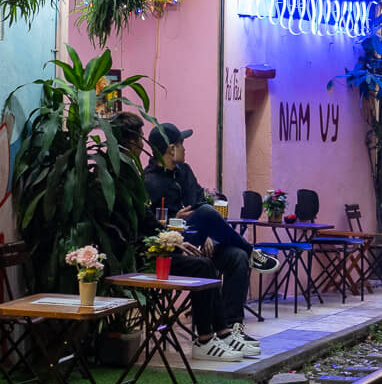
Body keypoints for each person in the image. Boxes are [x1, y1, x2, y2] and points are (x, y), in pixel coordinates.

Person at [112, 116, 276, 362]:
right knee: (207, 240)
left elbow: (199, 200)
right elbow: (148, 226)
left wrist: (207, 234)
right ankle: (209, 336)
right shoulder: (146, 182)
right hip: (169, 246)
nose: (185, 148)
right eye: (182, 143)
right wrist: (173, 226)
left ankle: (232, 330)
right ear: (171, 148)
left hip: (198, 239)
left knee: (236, 257)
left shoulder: (184, 172)